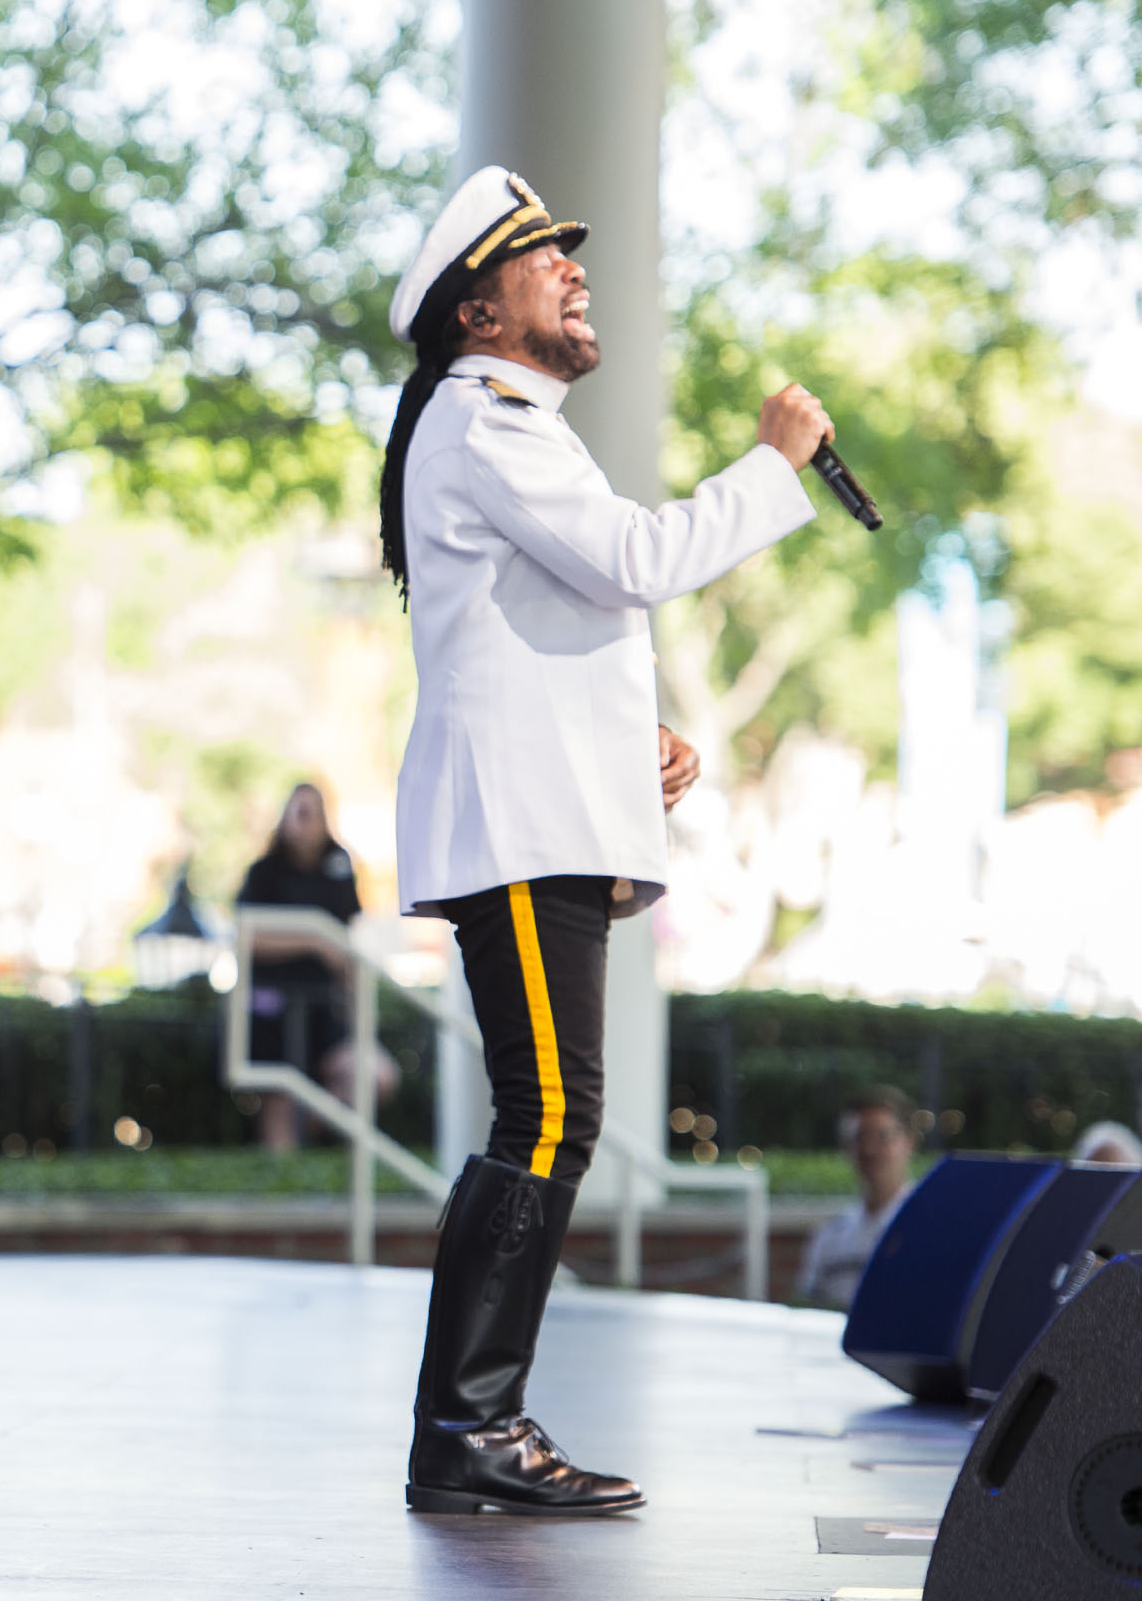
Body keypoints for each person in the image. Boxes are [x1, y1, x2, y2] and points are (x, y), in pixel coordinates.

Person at [384, 165, 828, 1518]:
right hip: (518, 834)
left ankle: (475, 1427)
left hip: (545, 818)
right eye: (543, 258)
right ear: (477, 311)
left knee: (553, 1116)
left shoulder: (503, 423)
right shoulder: (484, 416)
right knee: (552, 1115)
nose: (576, 271)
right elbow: (637, 558)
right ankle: (468, 1427)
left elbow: (541, 623)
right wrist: (776, 464)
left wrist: (633, 742)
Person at [237, 782, 369, 1152]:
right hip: (272, 1012)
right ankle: (283, 1184)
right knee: (279, 1096)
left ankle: (305, 1138)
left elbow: (349, 939)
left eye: (312, 813)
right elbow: (247, 935)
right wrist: (312, 939)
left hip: (323, 1012)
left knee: (369, 1075)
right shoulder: (264, 872)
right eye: (298, 811)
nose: (304, 821)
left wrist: (351, 992)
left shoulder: (338, 868)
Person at [795, 1087, 921, 1310]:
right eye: (859, 1137)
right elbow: (809, 1309)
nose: (869, 1149)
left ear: (909, 1142)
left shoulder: (929, 1228)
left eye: (882, 1137)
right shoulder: (829, 1237)